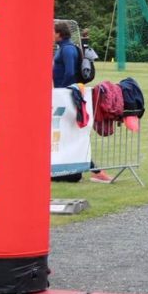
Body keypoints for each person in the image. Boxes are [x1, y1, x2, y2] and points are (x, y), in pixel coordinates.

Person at [52, 20, 112, 183]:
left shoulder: (68, 49)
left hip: (67, 97)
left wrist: (62, 92)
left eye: (52, 31)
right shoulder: (63, 48)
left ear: (59, 33)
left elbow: (70, 73)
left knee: (71, 136)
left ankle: (97, 171)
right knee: (66, 137)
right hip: (64, 96)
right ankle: (92, 170)